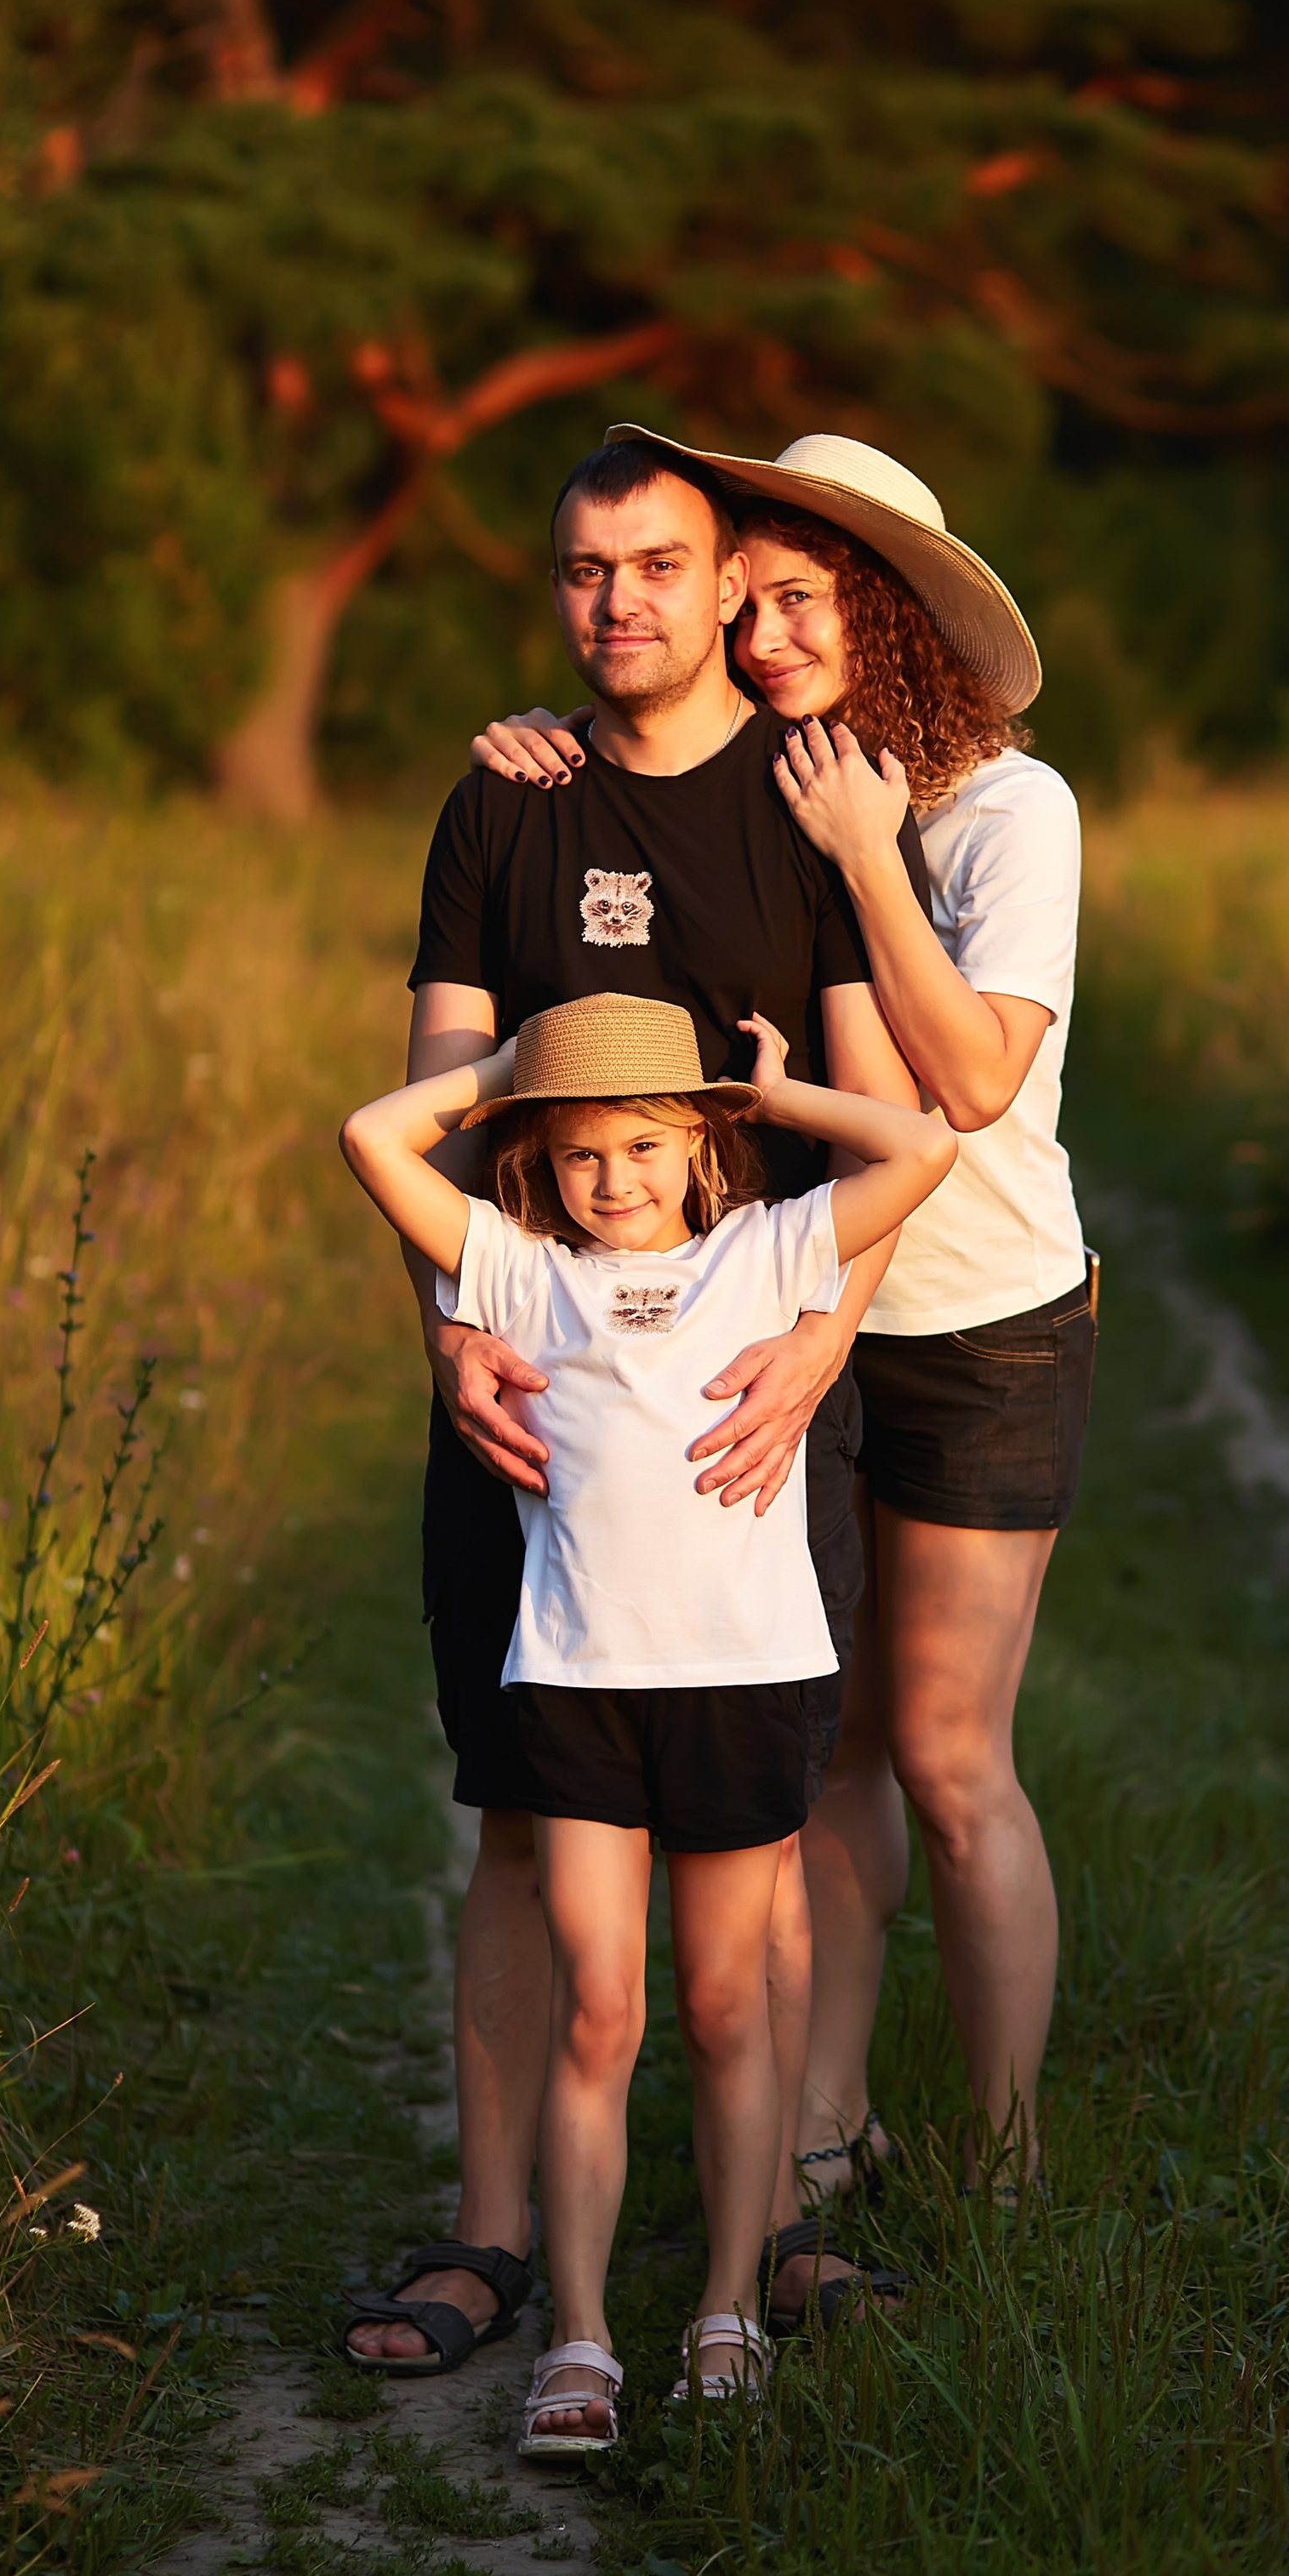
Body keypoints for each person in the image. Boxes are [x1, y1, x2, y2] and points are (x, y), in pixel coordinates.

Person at [339, 441, 930, 2378]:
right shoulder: (501, 804)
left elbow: (865, 1111)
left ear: (722, 582)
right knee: (521, 1818)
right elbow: (437, 1085)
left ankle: (758, 2249)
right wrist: (450, 1329)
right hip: (531, 1391)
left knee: (748, 1845)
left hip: (762, 1380)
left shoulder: (802, 806)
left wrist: (822, 1348)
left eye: (659, 568)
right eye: (587, 572)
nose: (622, 606)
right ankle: (492, 2240)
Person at [472, 430, 1092, 2250]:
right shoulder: (781, 784)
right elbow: (632, 818)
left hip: (976, 1325)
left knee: (949, 1754)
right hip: (780, 1319)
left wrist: (865, 852)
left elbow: (971, 1081)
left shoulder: (1002, 812)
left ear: (887, 612)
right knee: (822, 1745)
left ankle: (1004, 2156)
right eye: (748, 609)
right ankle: (827, 2136)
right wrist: (541, 740)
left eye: (799, 604)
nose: (760, 642)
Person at [337, 993, 954, 2448]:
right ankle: (586, 2336)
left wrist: (773, 1097)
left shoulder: (765, 1253)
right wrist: (495, 1078)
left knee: (731, 2009)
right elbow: (371, 1136)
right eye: (577, 1156)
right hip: (578, 1693)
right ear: (537, 1173)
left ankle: (728, 2308)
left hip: (744, 1683)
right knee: (601, 2013)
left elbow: (922, 1147)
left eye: (643, 1144)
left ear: (699, 1152)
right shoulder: (516, 1270)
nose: (612, 1179)